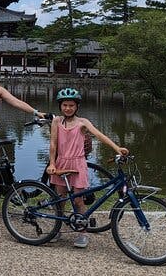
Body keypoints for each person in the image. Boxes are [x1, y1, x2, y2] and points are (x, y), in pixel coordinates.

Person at [46, 87, 129, 249]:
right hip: (61, 163)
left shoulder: (82, 123)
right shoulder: (56, 121)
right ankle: (57, 229)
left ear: (77, 106)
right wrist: (52, 163)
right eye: (64, 105)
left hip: (78, 164)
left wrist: (117, 148)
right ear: (60, 106)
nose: (68, 108)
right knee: (60, 199)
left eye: (71, 105)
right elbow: (53, 144)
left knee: (78, 200)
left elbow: (100, 135)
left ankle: (83, 232)